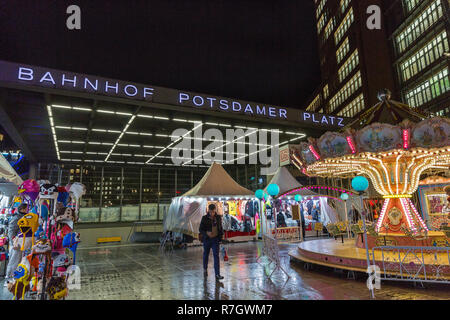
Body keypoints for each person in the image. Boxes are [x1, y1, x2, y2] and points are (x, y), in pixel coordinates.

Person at [199, 203, 224, 281]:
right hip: (207, 239)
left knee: (216, 256)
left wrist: (221, 236)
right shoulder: (204, 218)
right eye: (210, 212)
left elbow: (220, 227)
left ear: (215, 211)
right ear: (208, 210)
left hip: (215, 240)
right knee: (206, 254)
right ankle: (205, 268)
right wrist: (206, 233)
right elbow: (200, 229)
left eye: (213, 212)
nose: (211, 213)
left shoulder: (218, 217)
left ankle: (217, 274)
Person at [4, 203, 27, 286]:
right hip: (16, 242)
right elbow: (11, 230)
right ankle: (9, 278)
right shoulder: (16, 217)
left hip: (21, 242)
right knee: (14, 260)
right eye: (25, 208)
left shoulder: (23, 216)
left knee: (18, 260)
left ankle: (15, 277)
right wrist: (13, 241)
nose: (26, 210)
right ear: (22, 209)